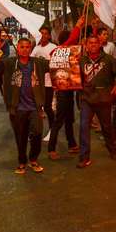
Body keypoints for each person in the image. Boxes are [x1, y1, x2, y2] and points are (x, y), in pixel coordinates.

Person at [2, 38, 49, 174]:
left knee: (37, 134)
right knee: (20, 137)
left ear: (31, 48)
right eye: (22, 47)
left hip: (35, 108)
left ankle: (33, 159)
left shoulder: (37, 63)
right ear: (18, 47)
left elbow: (55, 64)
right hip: (18, 109)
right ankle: (22, 162)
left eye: (28, 47)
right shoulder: (10, 63)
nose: (25, 49)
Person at [77, 33, 116, 167]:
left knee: (107, 127)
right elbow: (74, 76)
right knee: (83, 127)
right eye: (90, 43)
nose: (93, 45)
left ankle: (112, 149)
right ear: (86, 46)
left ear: (99, 45)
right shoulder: (81, 61)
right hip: (87, 99)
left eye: (95, 43)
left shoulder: (108, 59)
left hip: (104, 100)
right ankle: (84, 157)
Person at [47, 30, 78, 159]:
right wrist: (78, 26)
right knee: (59, 121)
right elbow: (71, 40)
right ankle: (51, 148)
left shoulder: (70, 52)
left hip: (70, 90)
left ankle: (71, 144)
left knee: (69, 119)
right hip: (62, 91)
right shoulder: (57, 51)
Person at [30, 26, 57, 140]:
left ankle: (52, 131)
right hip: (37, 83)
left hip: (49, 83)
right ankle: (35, 132)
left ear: (49, 36)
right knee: (36, 108)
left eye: (45, 33)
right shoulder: (36, 48)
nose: (43, 35)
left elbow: (55, 65)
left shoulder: (54, 47)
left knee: (47, 107)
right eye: (41, 33)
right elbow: (30, 62)